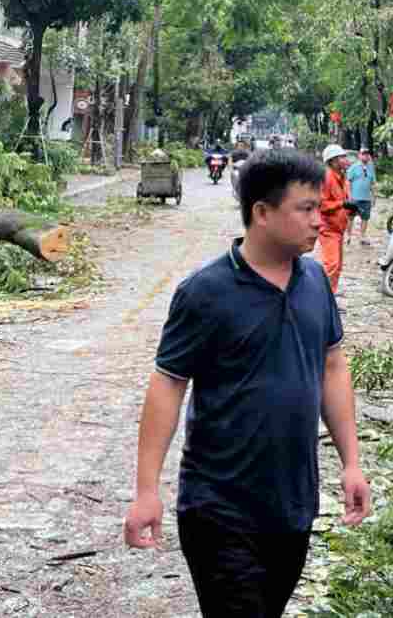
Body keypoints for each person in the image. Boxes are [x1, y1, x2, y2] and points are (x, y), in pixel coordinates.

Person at [124, 149, 372, 616]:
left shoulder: (316, 280)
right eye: (305, 209)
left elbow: (332, 366)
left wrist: (352, 462)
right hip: (220, 506)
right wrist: (146, 491)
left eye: (319, 208)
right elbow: (168, 385)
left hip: (294, 502)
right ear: (261, 212)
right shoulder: (206, 291)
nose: (319, 220)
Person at [317, 144, 359, 292]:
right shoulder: (327, 177)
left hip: (338, 228)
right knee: (332, 265)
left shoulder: (342, 177)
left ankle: (330, 297)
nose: (346, 160)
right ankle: (323, 300)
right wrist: (342, 203)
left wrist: (350, 208)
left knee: (337, 266)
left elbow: (343, 200)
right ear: (333, 161)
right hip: (328, 228)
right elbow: (321, 205)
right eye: (342, 157)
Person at [345, 148, 376, 246]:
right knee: (350, 217)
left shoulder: (371, 167)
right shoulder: (353, 167)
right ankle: (348, 236)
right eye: (363, 154)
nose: (365, 156)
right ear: (359, 155)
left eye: (367, 154)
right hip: (354, 198)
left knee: (365, 218)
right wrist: (349, 196)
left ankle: (362, 237)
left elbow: (372, 183)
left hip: (366, 198)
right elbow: (348, 182)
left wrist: (374, 196)